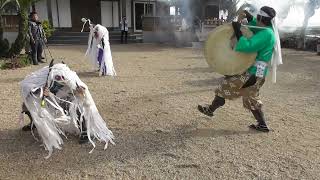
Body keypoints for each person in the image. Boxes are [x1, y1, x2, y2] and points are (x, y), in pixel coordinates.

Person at [198, 6, 282, 132]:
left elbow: (248, 46)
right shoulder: (267, 29)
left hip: (255, 71)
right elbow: (256, 27)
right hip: (257, 71)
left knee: (227, 85)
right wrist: (249, 17)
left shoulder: (266, 34)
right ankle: (262, 125)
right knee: (250, 96)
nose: (256, 20)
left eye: (257, 18)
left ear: (261, 18)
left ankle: (210, 109)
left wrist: (237, 30)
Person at [20, 62, 114, 158]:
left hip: (66, 93)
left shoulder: (69, 78)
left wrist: (77, 92)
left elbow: (81, 94)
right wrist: (42, 92)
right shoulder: (36, 80)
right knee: (26, 105)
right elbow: (28, 88)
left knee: (76, 104)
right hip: (46, 92)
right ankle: (33, 123)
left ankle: (85, 130)